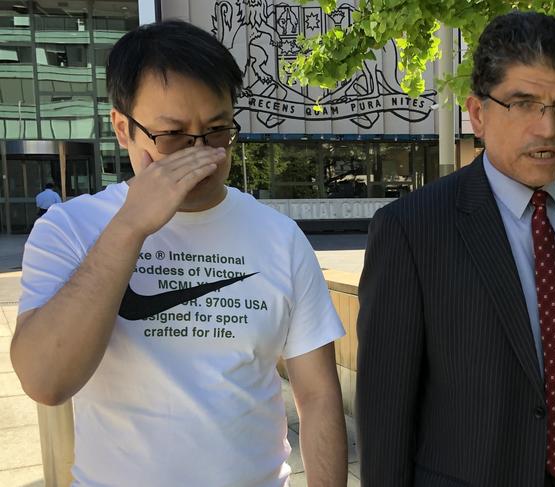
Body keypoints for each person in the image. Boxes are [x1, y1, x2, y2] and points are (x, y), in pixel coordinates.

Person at [11, 20, 347, 487]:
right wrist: (130, 226)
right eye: (172, 136)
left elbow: (318, 396)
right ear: (123, 128)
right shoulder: (71, 229)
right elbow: (46, 382)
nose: (203, 155)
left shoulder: (280, 237)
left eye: (217, 131)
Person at [356, 11, 555, 487]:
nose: (547, 129)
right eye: (523, 103)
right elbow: (385, 407)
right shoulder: (411, 228)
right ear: (478, 114)